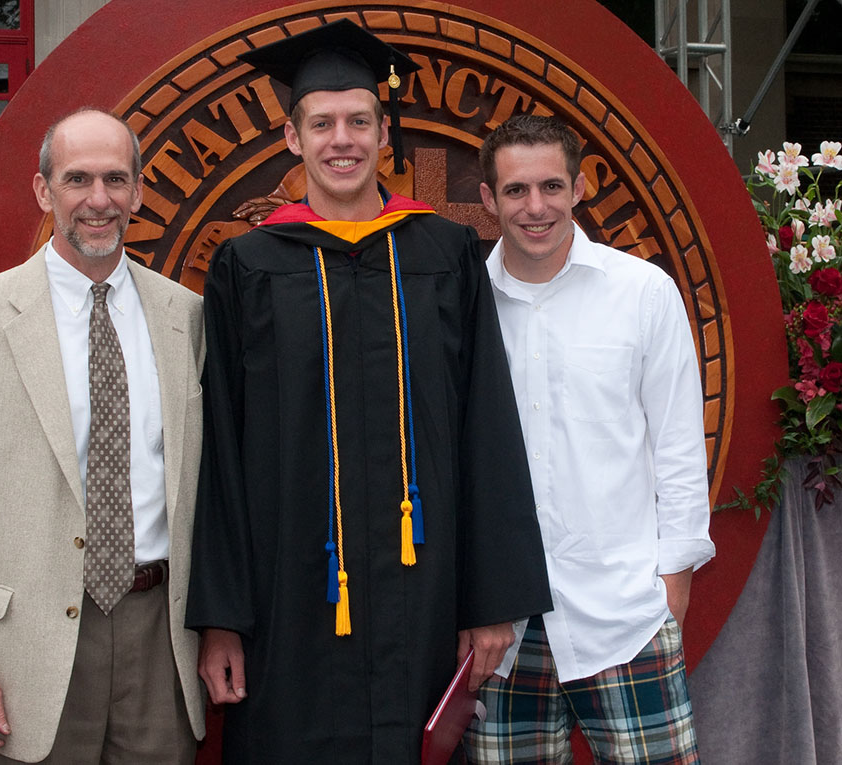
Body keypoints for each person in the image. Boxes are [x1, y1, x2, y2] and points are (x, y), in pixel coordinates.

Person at [186, 20, 552, 764]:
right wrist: (220, 620)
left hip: (422, 588)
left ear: (385, 134)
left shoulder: (444, 254)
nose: (341, 140)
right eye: (321, 124)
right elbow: (220, 447)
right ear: (292, 138)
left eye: (359, 121)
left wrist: (491, 604)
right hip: (286, 596)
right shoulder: (247, 267)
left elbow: (487, 426)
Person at [0, 109, 205, 764]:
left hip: (159, 638)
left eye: (115, 179)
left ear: (137, 191)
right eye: (77, 179)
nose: (98, 200)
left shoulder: (185, 316)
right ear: (44, 191)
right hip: (24, 651)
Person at [465, 114, 715, 764]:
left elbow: (681, 452)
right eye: (516, 190)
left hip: (624, 612)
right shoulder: (463, 307)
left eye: (552, 186)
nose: (536, 206)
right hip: (503, 624)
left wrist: (671, 590)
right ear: (489, 199)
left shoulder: (642, 294)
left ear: (580, 188)